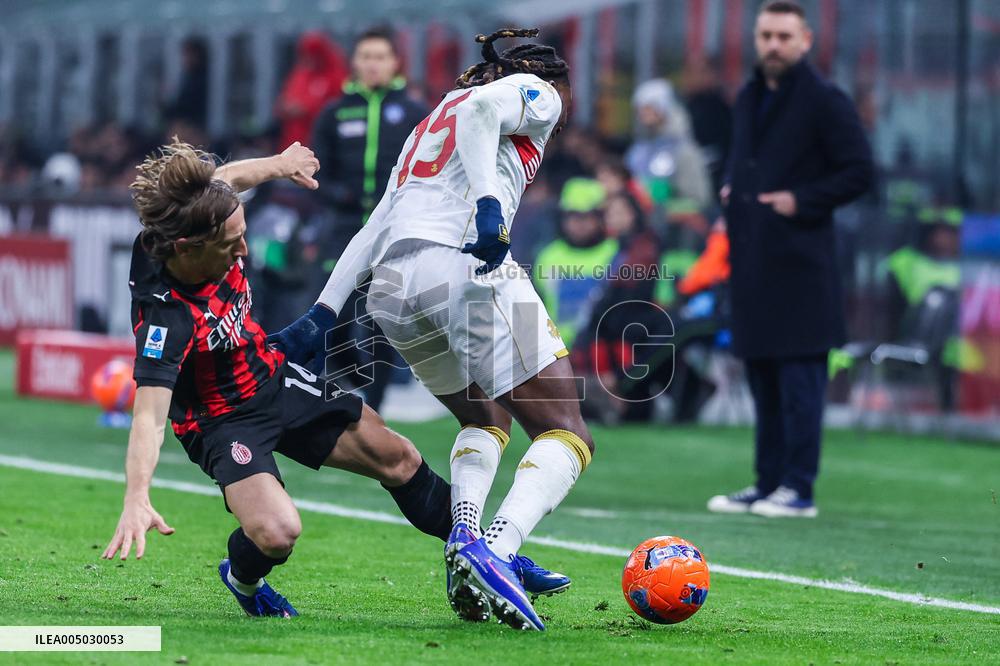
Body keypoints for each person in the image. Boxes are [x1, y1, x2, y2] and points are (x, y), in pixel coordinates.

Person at [271, 28, 593, 632]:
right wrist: (492, 205)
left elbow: (377, 223)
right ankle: (494, 551)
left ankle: (463, 532)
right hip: (467, 269)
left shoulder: (427, 123)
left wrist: (323, 312)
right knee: (567, 431)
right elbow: (481, 111)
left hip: (391, 286)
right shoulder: (534, 92)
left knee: (485, 418)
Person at [101, 140, 456, 618]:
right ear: (189, 250)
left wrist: (281, 165)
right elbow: (148, 416)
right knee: (277, 532)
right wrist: (136, 496)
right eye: (232, 244)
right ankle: (242, 578)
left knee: (399, 456)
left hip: (272, 376)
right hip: (221, 423)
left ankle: (490, 551)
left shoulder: (205, 210)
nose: (244, 249)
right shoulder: (166, 317)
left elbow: (230, 178)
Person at [708, 0, 873, 518]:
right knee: (763, 379)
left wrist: (799, 200)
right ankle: (767, 483)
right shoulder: (750, 95)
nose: (773, 46)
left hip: (803, 267)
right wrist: (732, 189)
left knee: (801, 384)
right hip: (754, 262)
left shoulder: (826, 100)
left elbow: (859, 171)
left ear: (805, 41)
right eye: (765, 36)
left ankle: (798, 489)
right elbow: (744, 159)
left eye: (783, 36)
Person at [311, 27, 429, 411]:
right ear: (355, 62)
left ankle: (374, 413)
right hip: (344, 229)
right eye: (366, 56)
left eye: (381, 56)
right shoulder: (334, 112)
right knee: (337, 314)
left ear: (395, 63)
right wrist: (336, 195)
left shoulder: (413, 113)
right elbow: (315, 169)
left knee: (382, 321)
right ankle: (352, 383)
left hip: (394, 232)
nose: (373, 64)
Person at [626, 79, 712, 210]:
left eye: (648, 107)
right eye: (640, 109)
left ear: (663, 108)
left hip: (676, 227)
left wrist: (662, 209)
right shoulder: (639, 148)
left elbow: (700, 199)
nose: (642, 114)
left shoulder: (683, 149)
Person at [275, 31, 349, 151]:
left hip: (321, 144)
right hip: (293, 143)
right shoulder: (300, 74)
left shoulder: (336, 75)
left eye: (313, 55)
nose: (309, 59)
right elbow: (283, 102)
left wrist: (306, 109)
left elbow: (339, 108)